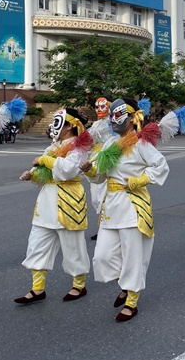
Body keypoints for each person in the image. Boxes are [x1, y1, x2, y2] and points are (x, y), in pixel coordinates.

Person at [81, 98, 171, 322]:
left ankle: (132, 299)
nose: (113, 118)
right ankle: (125, 284)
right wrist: (89, 170)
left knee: (133, 255)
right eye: (111, 114)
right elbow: (100, 176)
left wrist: (136, 182)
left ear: (133, 117)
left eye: (118, 114)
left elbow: (161, 167)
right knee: (102, 257)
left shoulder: (141, 144)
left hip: (132, 205)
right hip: (111, 206)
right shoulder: (111, 144)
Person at [14, 108, 93, 304]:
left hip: (69, 199)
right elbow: (43, 171)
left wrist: (43, 160)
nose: (54, 126)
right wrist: (31, 174)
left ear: (70, 126)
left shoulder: (79, 147)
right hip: (47, 201)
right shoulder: (52, 147)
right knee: (37, 245)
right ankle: (37, 289)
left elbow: (66, 171)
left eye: (60, 122)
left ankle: (79, 285)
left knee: (73, 246)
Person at [87, 96, 114, 241]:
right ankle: (103, 225)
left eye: (102, 106)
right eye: (96, 106)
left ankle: (105, 227)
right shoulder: (96, 123)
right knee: (95, 194)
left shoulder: (112, 123)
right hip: (94, 159)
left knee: (104, 192)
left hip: (106, 159)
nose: (99, 109)